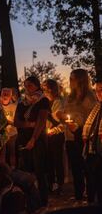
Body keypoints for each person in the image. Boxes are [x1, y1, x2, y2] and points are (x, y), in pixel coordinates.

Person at [61, 69, 97, 200]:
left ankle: (91, 196)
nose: (70, 81)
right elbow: (64, 111)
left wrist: (79, 125)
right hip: (70, 137)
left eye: (72, 79)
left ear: (80, 80)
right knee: (75, 168)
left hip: (83, 137)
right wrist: (62, 116)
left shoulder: (89, 97)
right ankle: (78, 195)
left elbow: (92, 117)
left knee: (86, 167)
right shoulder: (69, 97)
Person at [15, 76, 50, 206]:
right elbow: (16, 122)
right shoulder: (22, 102)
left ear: (37, 86)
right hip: (23, 138)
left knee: (39, 170)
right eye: (25, 85)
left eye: (30, 85)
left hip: (37, 140)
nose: (27, 88)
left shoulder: (43, 101)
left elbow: (41, 121)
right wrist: (29, 124)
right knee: (25, 170)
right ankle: (29, 200)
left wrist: (33, 139)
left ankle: (43, 201)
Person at [43, 79, 65, 195]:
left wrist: (53, 130)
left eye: (47, 88)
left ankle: (60, 184)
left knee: (57, 160)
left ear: (53, 89)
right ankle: (51, 184)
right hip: (47, 136)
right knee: (49, 161)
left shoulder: (59, 102)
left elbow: (61, 122)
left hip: (57, 135)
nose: (45, 90)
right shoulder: (45, 101)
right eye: (44, 88)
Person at [83, 81, 102, 203]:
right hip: (93, 147)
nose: (98, 93)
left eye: (101, 89)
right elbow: (90, 124)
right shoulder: (97, 106)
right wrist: (86, 135)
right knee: (94, 177)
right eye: (96, 90)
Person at [0, 88, 18, 168]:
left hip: (12, 132)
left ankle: (13, 167)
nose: (5, 96)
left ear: (11, 96)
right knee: (2, 151)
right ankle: (2, 168)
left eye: (7, 94)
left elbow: (17, 121)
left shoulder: (14, 106)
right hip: (1, 132)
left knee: (12, 151)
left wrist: (10, 123)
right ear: (1, 95)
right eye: (4, 94)